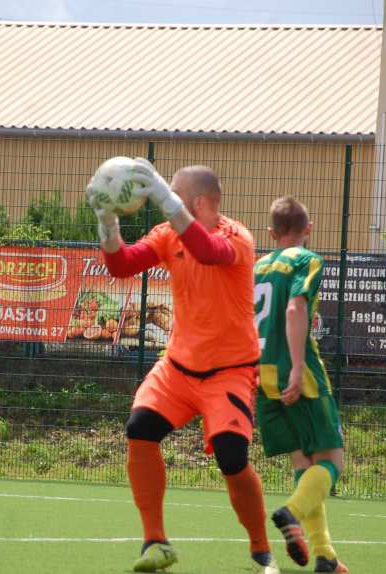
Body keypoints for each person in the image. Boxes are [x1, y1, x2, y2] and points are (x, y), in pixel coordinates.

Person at [88, 159, 278, 574]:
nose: (159, 196)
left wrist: (160, 192)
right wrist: (106, 221)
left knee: (231, 458)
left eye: (170, 190)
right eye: (160, 190)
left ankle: (261, 549)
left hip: (230, 370)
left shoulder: (237, 237)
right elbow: (121, 266)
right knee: (139, 428)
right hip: (177, 366)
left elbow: (207, 252)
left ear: (199, 201)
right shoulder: (168, 233)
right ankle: (155, 541)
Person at [253, 197, 348, 573]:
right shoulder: (306, 259)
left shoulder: (258, 266)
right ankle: (291, 512)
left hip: (261, 373)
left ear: (272, 233)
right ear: (308, 229)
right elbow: (295, 308)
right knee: (332, 461)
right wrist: (296, 367)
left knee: (303, 461)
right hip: (299, 371)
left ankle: (324, 555)